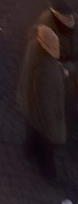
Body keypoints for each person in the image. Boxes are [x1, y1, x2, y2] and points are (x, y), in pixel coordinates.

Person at [19, 19, 67, 180]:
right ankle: (47, 172)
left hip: (32, 106)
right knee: (47, 146)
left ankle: (29, 149)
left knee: (33, 130)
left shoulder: (34, 51)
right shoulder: (50, 71)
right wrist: (54, 128)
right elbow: (48, 103)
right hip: (44, 116)